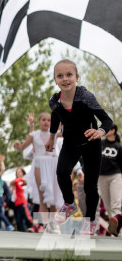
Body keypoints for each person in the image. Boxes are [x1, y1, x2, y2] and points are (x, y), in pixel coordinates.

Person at [45, 59, 112, 235]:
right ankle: (69, 203)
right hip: (70, 143)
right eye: (60, 76)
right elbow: (55, 117)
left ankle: (90, 222)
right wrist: (52, 138)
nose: (65, 79)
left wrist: (100, 131)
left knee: (90, 186)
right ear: (55, 80)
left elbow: (107, 120)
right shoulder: (54, 101)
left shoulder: (86, 97)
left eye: (69, 75)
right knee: (61, 172)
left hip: (91, 144)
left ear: (77, 77)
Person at [14, 113, 62, 221]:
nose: (46, 122)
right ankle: (45, 223)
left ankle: (53, 223)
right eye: (43, 120)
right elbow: (22, 147)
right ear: (39, 122)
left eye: (49, 120)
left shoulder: (55, 133)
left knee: (53, 195)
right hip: (39, 164)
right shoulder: (34, 135)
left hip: (52, 164)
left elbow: (70, 135)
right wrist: (17, 145)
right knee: (42, 194)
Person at [99, 124, 122, 220]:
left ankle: (118, 233)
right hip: (101, 177)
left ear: (113, 131)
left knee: (115, 205)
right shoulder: (100, 144)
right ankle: (114, 231)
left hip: (115, 177)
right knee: (108, 206)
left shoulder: (118, 147)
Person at [12, 167, 29, 232]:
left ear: (23, 173)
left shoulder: (24, 181)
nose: (18, 173)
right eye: (17, 172)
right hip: (17, 202)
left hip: (24, 202)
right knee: (19, 220)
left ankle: (31, 228)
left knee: (27, 218)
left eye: (19, 172)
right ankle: (22, 231)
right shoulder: (17, 182)